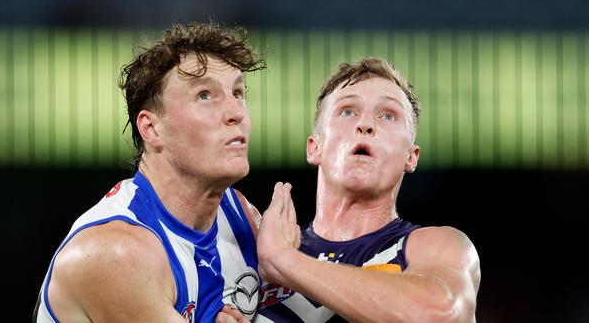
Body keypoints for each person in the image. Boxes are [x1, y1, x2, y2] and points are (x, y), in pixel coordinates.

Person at [33, 23, 266, 323]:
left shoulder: (239, 216)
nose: (236, 112)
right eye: (205, 95)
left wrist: (290, 261)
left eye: (237, 92)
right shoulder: (115, 253)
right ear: (151, 128)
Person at [255, 57, 481, 322]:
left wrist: (283, 260)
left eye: (388, 115)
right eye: (348, 111)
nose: (366, 125)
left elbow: (439, 314)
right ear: (314, 147)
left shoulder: (436, 246)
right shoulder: (257, 258)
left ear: (411, 157)